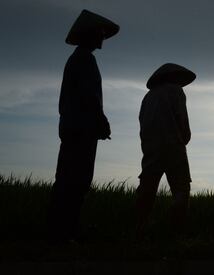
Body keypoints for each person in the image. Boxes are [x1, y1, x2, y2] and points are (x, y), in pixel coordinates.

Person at [49, 10, 119, 242]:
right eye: (99, 33)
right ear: (90, 35)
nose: (102, 37)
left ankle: (63, 229)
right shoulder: (84, 59)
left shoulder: (77, 59)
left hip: (72, 127)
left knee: (68, 178)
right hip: (80, 129)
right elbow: (90, 97)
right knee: (76, 180)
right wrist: (102, 121)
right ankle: (66, 231)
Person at [136, 63, 195, 239]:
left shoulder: (148, 97)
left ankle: (140, 227)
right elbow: (182, 119)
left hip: (151, 148)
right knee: (181, 188)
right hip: (173, 146)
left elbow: (142, 123)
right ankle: (176, 231)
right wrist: (184, 138)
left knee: (147, 187)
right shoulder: (175, 91)